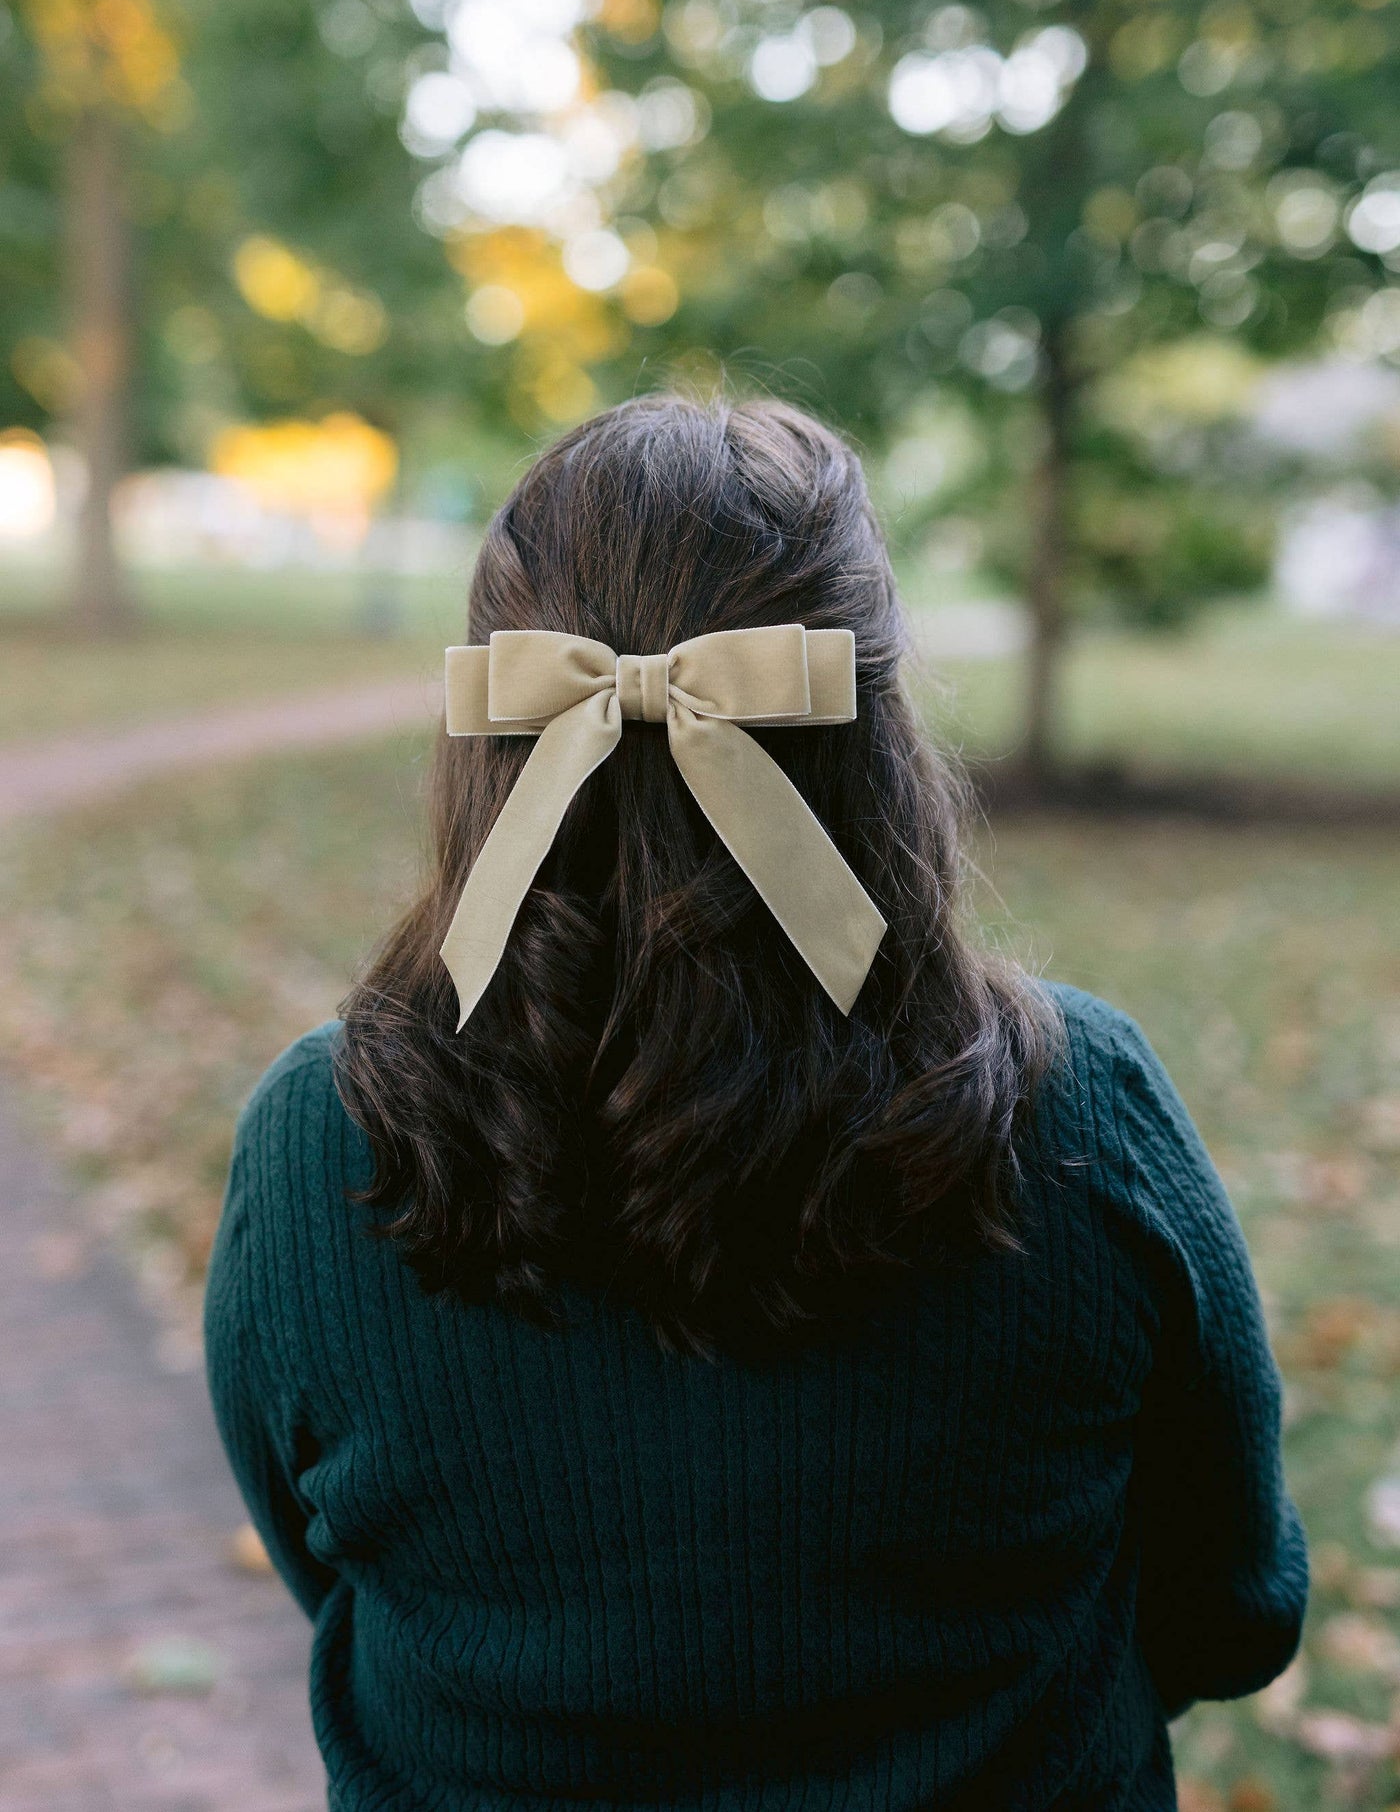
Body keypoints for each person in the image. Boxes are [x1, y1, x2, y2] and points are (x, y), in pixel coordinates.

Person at [205, 392, 1307, 1811]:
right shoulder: (1083, 1113)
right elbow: (1236, 1609)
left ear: (490, 723)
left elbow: (323, 1572)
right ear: (880, 734)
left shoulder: (322, 1138)